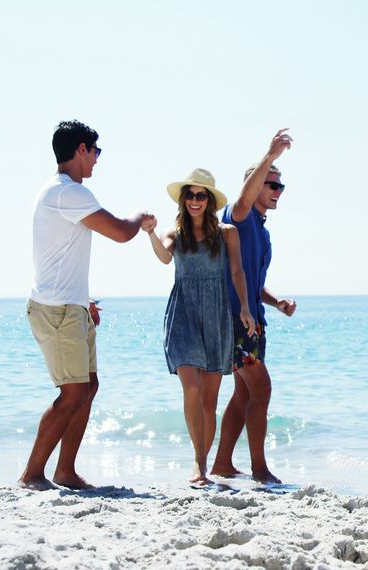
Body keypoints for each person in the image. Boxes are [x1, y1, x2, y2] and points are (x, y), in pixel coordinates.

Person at [20, 120, 153, 491]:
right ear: (80, 149)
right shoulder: (68, 192)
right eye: (95, 151)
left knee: (88, 386)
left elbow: (62, 256)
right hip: (57, 310)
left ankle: (65, 472)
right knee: (74, 391)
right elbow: (121, 233)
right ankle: (32, 473)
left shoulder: (63, 193)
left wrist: (83, 301)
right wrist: (141, 219)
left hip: (70, 306)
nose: (97, 159)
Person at [140, 168, 257, 486]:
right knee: (191, 388)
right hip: (184, 314)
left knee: (209, 401)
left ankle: (202, 467)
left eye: (200, 195)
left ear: (209, 200)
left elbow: (237, 272)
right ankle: (197, 464)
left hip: (216, 314)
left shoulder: (227, 233)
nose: (194, 200)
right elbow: (165, 257)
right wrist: (150, 233)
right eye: (189, 195)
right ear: (183, 200)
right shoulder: (175, 233)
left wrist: (245, 308)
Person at [209, 129, 295, 484]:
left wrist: (276, 303)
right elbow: (242, 201)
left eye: (280, 186)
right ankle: (260, 469)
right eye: (271, 184)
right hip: (234, 320)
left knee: (243, 393)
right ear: (255, 185)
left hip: (254, 321)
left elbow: (251, 282)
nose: (277, 191)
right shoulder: (238, 217)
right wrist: (270, 156)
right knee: (261, 389)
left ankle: (223, 464)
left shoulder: (262, 230)